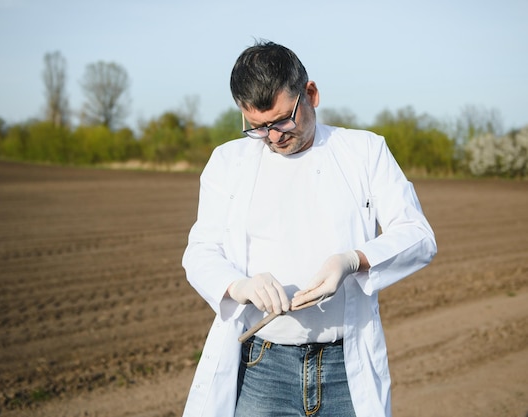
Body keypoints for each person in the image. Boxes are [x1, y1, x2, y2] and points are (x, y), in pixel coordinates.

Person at [181, 40, 436, 417]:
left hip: (344, 370)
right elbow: (200, 251)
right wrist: (241, 286)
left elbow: (418, 234)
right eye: (258, 127)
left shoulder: (364, 151)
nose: (274, 136)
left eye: (283, 119)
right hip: (262, 369)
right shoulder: (228, 162)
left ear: (311, 94)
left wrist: (354, 260)